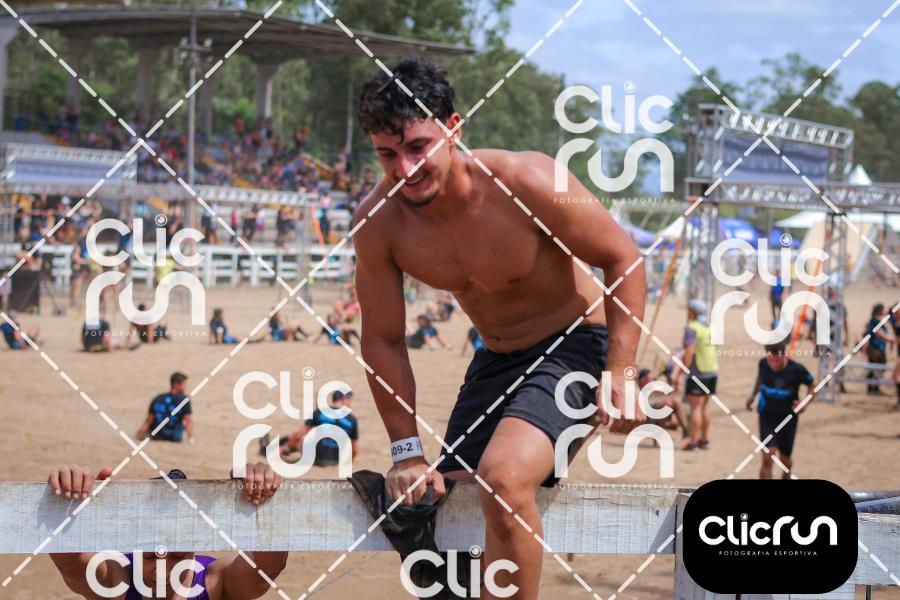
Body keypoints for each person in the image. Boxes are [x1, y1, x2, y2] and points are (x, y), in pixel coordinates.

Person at [353, 58, 645, 599]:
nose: (405, 169)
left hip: (577, 345)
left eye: (418, 147)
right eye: (387, 155)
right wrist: (406, 451)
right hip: (496, 361)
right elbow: (383, 339)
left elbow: (623, 258)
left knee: (505, 479)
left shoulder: (525, 180)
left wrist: (622, 371)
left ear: (453, 128)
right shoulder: (379, 223)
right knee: (439, 500)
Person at [48, 462, 287, 600]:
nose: (163, 569)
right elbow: (71, 565)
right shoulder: (117, 578)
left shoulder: (214, 581)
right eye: (149, 555)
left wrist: (264, 501)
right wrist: (67, 503)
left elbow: (266, 569)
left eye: (177, 555)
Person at [745, 339, 816, 479]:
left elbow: (813, 385)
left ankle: (786, 474)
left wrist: (805, 403)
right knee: (768, 456)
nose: (773, 365)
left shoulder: (796, 369)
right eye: (770, 360)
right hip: (767, 416)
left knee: (785, 459)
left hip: (788, 418)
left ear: (784, 355)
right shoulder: (763, 364)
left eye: (777, 361)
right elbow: (761, 378)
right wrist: (753, 395)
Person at [261, 390, 359, 463]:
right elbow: (355, 449)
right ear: (345, 399)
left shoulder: (320, 413)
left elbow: (299, 435)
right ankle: (283, 449)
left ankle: (277, 449)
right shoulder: (352, 420)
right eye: (350, 399)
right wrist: (350, 460)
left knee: (295, 438)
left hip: (315, 458)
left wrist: (284, 448)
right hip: (335, 460)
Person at [672, 299, 718, 451]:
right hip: (712, 370)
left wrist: (682, 371)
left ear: (693, 312)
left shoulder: (692, 328)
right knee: (705, 406)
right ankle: (704, 439)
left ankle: (693, 441)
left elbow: (689, 351)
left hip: (699, 372)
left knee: (695, 408)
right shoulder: (710, 327)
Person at [137, 372, 194, 443]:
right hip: (173, 437)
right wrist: (191, 439)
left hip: (156, 436)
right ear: (176, 385)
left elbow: (148, 421)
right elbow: (188, 421)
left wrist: (138, 436)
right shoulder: (184, 399)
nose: (186, 387)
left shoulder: (158, 398)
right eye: (184, 384)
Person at [638, 368, 688, 438]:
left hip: (658, 413)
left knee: (675, 401)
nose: (652, 380)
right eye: (649, 378)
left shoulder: (654, 390)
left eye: (652, 378)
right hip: (648, 417)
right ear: (642, 379)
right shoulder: (639, 391)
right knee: (669, 404)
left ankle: (686, 429)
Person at [864, 303, 894, 394]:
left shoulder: (876, 320)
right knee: (877, 368)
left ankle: (874, 387)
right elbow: (878, 333)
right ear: (879, 310)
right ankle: (873, 388)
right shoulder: (875, 321)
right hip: (875, 348)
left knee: (877, 368)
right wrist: (891, 340)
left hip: (878, 347)